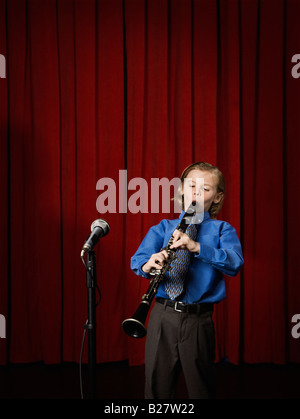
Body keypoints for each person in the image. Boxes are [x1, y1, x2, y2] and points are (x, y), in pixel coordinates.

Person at [130, 162, 244, 399]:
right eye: (191, 186)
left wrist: (197, 247)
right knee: (156, 387)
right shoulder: (163, 227)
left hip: (198, 319)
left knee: (201, 388)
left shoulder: (223, 229)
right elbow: (138, 260)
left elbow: (235, 263)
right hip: (162, 315)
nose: (196, 192)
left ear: (217, 197)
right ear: (181, 190)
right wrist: (148, 264)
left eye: (205, 189)